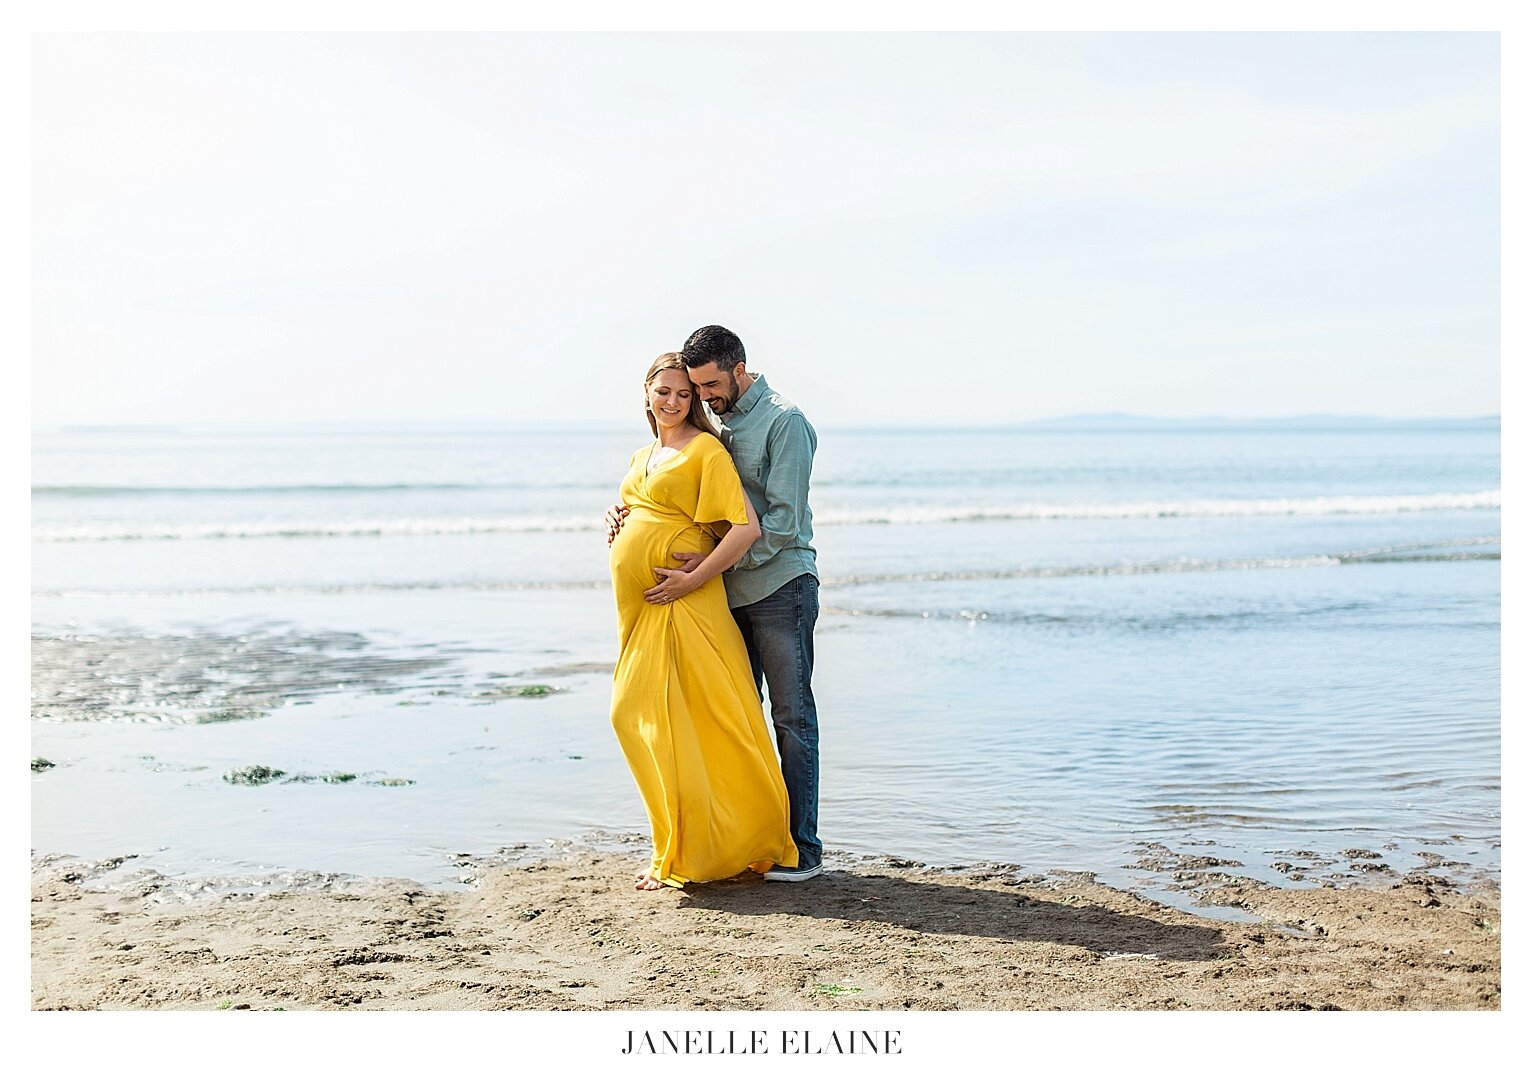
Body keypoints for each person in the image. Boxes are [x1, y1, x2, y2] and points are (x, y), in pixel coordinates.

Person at [609, 325, 823, 882]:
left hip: (779, 587)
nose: (699, 397)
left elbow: (779, 523)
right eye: (687, 388)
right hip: (723, 594)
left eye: (705, 386)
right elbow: (682, 498)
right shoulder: (716, 423)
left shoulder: (785, 422)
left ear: (739, 367)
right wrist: (632, 518)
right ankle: (739, 841)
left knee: (791, 718)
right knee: (733, 722)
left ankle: (801, 850)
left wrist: (702, 566)